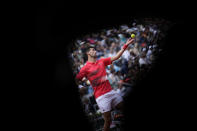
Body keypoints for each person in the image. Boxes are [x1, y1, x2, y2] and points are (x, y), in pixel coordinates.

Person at [75, 38, 134, 131]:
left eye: (94, 49)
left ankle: (117, 116)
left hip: (111, 92)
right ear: (88, 53)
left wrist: (126, 45)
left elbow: (116, 57)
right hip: (101, 97)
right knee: (108, 121)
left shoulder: (101, 61)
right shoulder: (84, 68)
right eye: (92, 50)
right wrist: (81, 86)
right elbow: (77, 79)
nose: (95, 51)